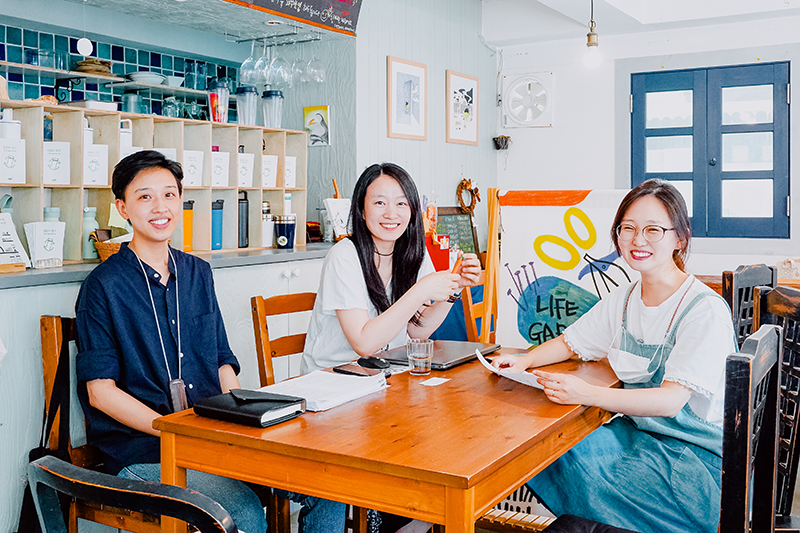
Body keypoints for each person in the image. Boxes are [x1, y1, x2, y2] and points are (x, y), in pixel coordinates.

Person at [75, 150, 345, 533]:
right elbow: (101, 393)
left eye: (169, 195)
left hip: (212, 435)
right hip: (143, 447)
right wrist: (175, 429)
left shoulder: (197, 273)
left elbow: (221, 361)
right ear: (122, 207)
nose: (160, 207)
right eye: (144, 196)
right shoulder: (103, 286)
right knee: (242, 514)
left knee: (330, 482)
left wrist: (238, 421)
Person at [492, 179, 736, 533]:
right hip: (644, 440)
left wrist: (584, 393)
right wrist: (524, 362)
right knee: (546, 447)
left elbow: (670, 401)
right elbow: (572, 342)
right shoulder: (625, 298)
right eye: (629, 228)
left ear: (679, 238)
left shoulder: (704, 310)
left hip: (693, 464)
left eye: (654, 229)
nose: (639, 240)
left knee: (556, 453)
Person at [301, 163, 480, 533]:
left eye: (401, 204)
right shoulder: (345, 256)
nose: (391, 213)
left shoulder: (410, 253)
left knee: (444, 445)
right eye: (379, 202)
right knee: (413, 458)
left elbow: (417, 330)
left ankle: (408, 521)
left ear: (412, 210)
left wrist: (452, 288)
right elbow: (364, 342)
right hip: (333, 397)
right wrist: (421, 289)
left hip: (383, 390)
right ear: (361, 209)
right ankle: (388, 519)